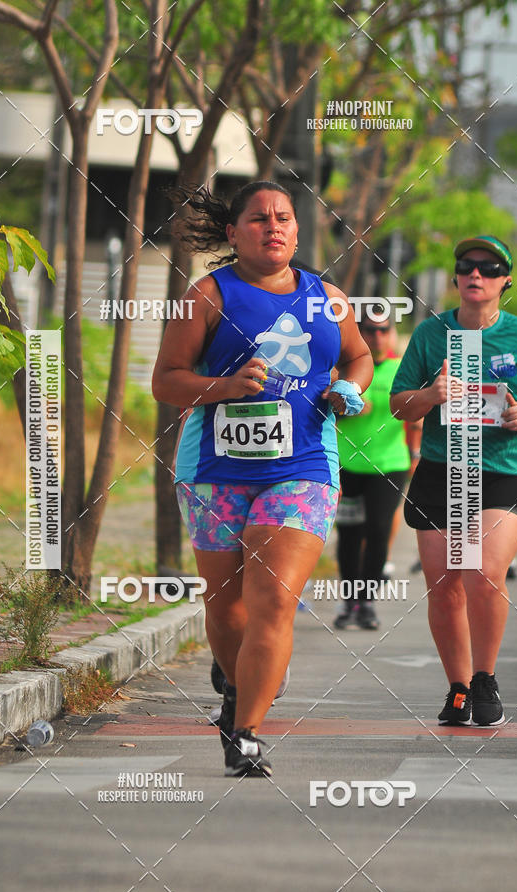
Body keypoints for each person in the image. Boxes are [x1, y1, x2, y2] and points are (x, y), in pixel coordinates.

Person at [152, 181, 372, 776]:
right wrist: (224, 388)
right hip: (214, 469)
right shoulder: (207, 295)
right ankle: (236, 682)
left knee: (272, 599)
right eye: (257, 219)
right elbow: (165, 381)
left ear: (297, 232)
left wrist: (351, 388)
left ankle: (245, 731)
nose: (272, 227)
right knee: (227, 612)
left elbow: (358, 355)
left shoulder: (327, 297)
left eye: (283, 219)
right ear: (233, 233)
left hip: (302, 467)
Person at [390, 236, 517, 726]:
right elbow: (399, 403)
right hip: (444, 467)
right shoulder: (431, 334)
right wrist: (431, 394)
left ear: (506, 279)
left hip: (506, 467)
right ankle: (459, 688)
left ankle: (486, 678)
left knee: (483, 570)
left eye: (489, 267)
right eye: (467, 267)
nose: (476, 274)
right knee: (444, 586)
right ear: (457, 277)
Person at [334, 309, 419, 630]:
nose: (377, 337)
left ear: (393, 334)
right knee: (350, 535)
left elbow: (415, 413)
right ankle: (349, 602)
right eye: (369, 330)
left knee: (379, 531)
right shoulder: (346, 370)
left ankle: (367, 601)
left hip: (388, 466)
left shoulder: (402, 370)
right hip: (348, 466)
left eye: (384, 330)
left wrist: (416, 453)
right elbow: (320, 409)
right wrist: (342, 408)